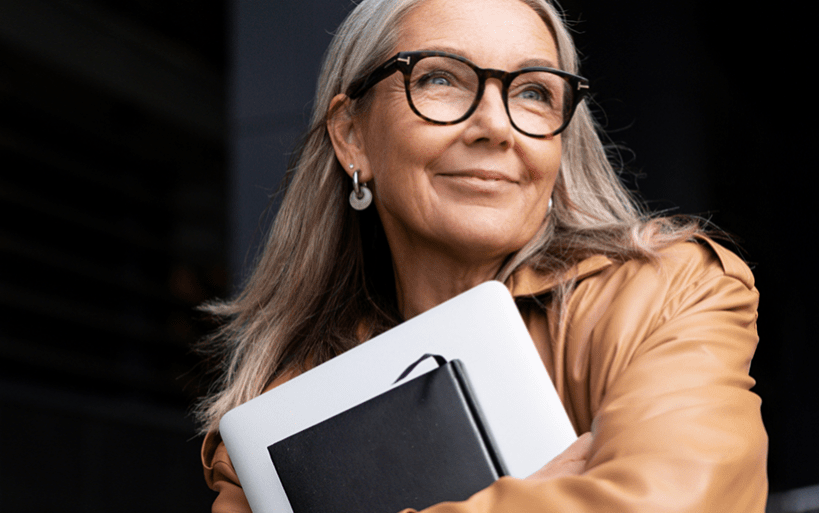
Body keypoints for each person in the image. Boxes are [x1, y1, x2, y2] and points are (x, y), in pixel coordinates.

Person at [195, 0, 767, 510]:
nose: (496, 127)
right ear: (352, 136)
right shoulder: (278, 419)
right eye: (441, 78)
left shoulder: (671, 293)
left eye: (534, 92)